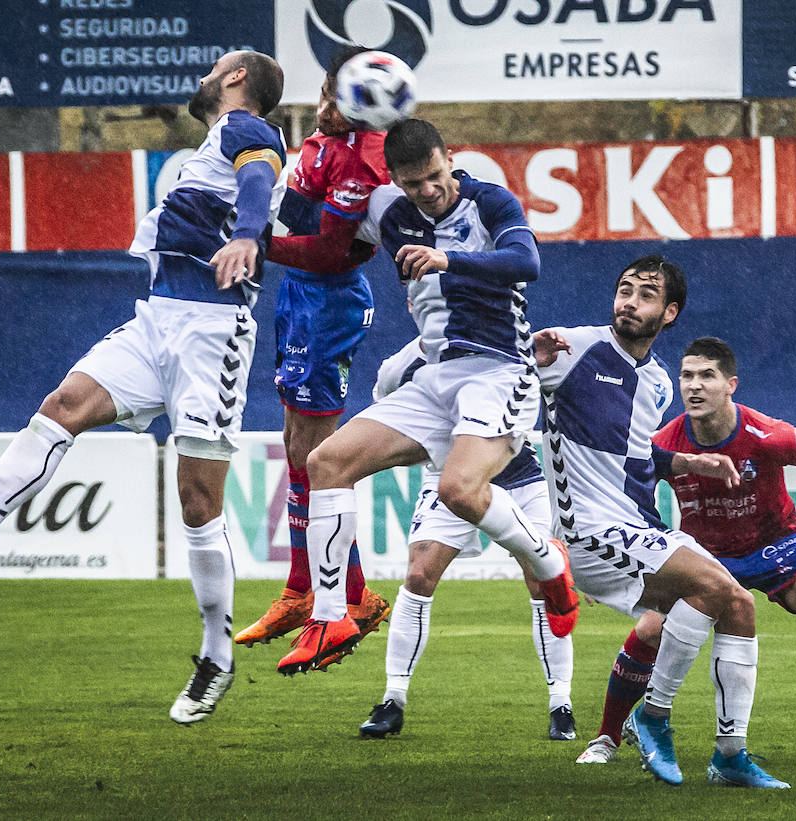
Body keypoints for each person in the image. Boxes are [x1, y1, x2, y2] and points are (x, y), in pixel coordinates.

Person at [0, 51, 288, 725]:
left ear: (237, 81)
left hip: (212, 331)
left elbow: (259, 179)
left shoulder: (245, 129)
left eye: (218, 66)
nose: (208, 72)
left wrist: (251, 236)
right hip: (159, 317)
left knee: (198, 499)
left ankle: (215, 654)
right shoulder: (210, 142)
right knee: (62, 407)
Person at [268, 118, 577, 676]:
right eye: (413, 185)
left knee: (460, 489)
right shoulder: (391, 211)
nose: (427, 192)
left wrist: (446, 259)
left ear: (449, 158)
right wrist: (315, 162)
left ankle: (547, 562)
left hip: (499, 372)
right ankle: (333, 616)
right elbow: (314, 229)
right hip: (436, 378)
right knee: (325, 463)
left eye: (435, 177)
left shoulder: (489, 202)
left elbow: (526, 261)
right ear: (396, 181)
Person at [573, 336, 796, 767]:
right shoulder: (664, 441)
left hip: (778, 543)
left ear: (730, 385)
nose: (694, 386)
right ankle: (606, 738)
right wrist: (609, 563)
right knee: (650, 630)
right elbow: (621, 496)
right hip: (706, 557)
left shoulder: (766, 435)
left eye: (707, 376)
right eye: (687, 376)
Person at [533, 254, 787, 789]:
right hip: (588, 532)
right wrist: (526, 358)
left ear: (669, 313)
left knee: (737, 604)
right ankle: (651, 716)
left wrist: (688, 462)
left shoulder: (655, 384)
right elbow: (504, 377)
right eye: (624, 289)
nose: (630, 301)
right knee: (714, 586)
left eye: (646, 294)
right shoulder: (571, 348)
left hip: (638, 526)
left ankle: (730, 755)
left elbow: (635, 455)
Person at [232, 46, 392, 652]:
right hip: (299, 295)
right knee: (297, 444)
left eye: (336, 101)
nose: (323, 109)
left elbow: (328, 253)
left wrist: (254, 244)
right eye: (323, 94)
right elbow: (300, 219)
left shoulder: (365, 160)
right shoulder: (319, 142)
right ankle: (314, 588)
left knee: (320, 454)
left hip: (329, 302)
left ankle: (340, 597)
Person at [357, 338, 575, 741]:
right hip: (449, 480)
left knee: (541, 582)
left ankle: (561, 704)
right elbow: (391, 418)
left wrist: (533, 361)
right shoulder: (398, 367)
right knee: (420, 575)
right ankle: (393, 700)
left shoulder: (501, 340)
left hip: (519, 475)